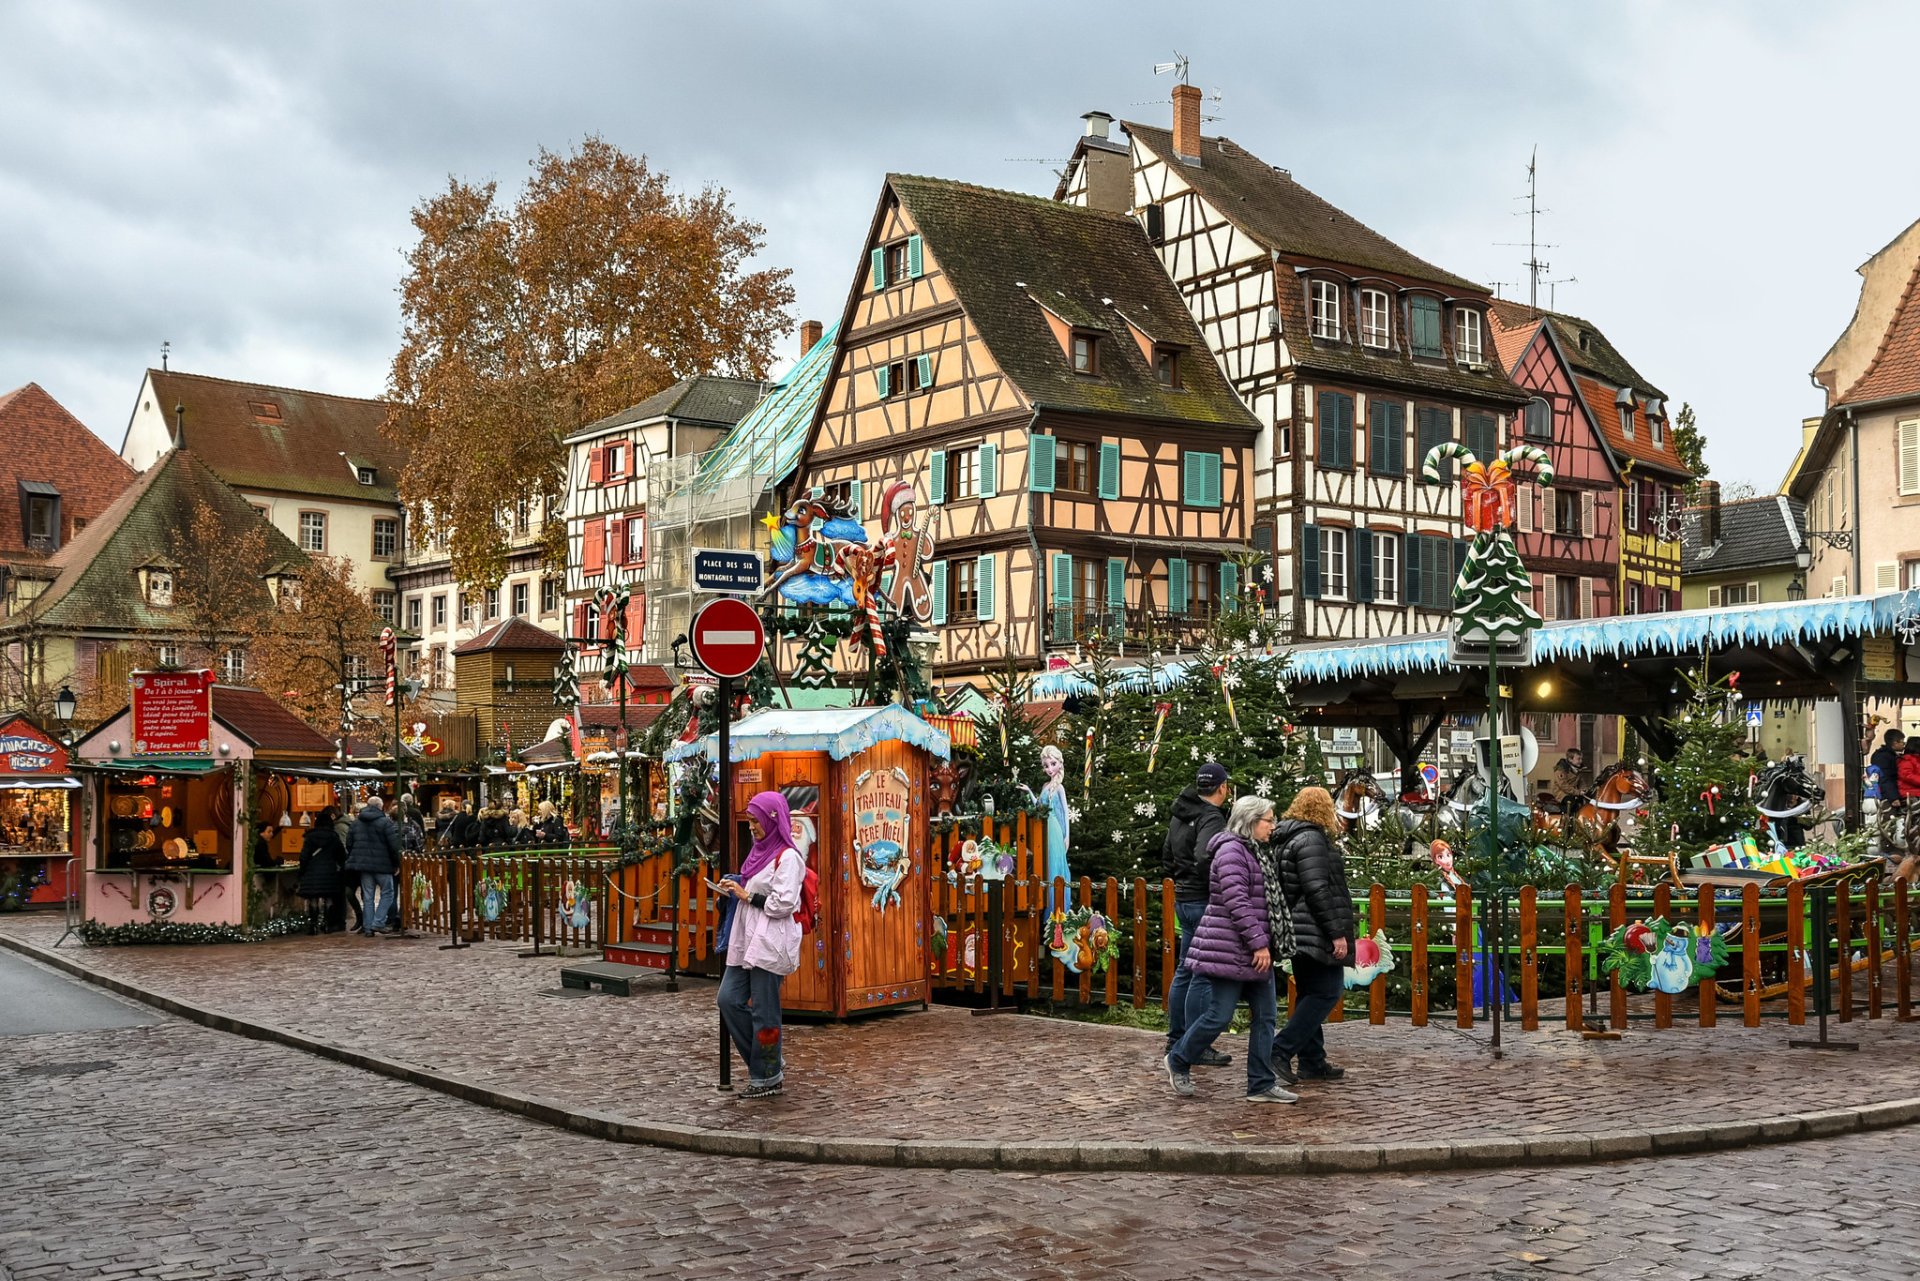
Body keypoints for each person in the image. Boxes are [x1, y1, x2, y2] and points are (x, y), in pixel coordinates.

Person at [1164, 797, 1293, 1104]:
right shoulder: (1232, 852)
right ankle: (1179, 1058)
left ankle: (1260, 1083)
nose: (1273, 826)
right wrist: (1259, 943)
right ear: (1250, 821)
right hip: (1232, 949)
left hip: (1254, 949)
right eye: (1268, 820)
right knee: (1219, 1015)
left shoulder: (1257, 851)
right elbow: (1238, 903)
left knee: (1266, 1016)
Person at [713, 790, 807, 1100]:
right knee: (728, 999)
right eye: (750, 820)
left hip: (769, 943)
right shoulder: (756, 854)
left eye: (756, 821)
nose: (751, 827)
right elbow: (751, 887)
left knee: (765, 1012)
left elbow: (784, 903)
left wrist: (747, 895)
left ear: (773, 819)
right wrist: (734, 886)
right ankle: (768, 1062)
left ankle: (767, 1077)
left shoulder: (789, 858)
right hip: (746, 943)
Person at [1270, 786, 1355, 1086]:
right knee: (1326, 992)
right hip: (1314, 930)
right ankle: (1280, 1050)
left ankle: (1312, 1060)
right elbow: (1318, 888)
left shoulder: (1288, 836)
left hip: (1298, 928)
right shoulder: (1312, 839)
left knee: (1309, 992)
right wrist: (1337, 933)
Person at [1160, 761, 1233, 1067]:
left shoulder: (1181, 811)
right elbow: (1207, 855)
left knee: (1185, 970)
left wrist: (1181, 876)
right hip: (1203, 899)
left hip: (1183, 897)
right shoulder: (1211, 816)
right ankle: (1195, 1044)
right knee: (1202, 973)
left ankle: (1176, 1038)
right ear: (1222, 788)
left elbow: (1166, 854)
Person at [344, 794, 403, 937]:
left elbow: (349, 843)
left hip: (363, 866)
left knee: (368, 896)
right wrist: (396, 863)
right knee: (388, 893)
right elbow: (393, 845)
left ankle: (368, 927)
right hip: (383, 865)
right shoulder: (385, 822)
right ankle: (378, 922)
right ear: (380, 807)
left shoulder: (356, 822)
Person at [297, 807, 346, 934]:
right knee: (328, 899)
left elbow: (304, 856)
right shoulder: (334, 837)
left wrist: (302, 871)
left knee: (313, 899)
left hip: (312, 872)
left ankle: (313, 925)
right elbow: (341, 855)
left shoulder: (310, 837)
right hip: (329, 873)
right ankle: (326, 924)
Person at [1550, 748, 1590, 816]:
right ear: (1570, 759)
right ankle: (1564, 818)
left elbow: (1581, 782)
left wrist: (1585, 790)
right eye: (1578, 759)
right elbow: (1563, 785)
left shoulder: (1578, 769)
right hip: (1561, 793)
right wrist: (1578, 792)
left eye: (1581, 759)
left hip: (1572, 792)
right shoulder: (1561, 769)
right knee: (1571, 803)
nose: (1581, 761)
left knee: (1584, 802)